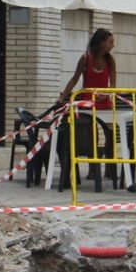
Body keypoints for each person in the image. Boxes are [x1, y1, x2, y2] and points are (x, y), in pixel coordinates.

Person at [55, 28, 119, 186]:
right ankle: (93, 169)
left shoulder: (110, 60)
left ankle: (110, 168)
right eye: (110, 42)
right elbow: (74, 79)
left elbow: (113, 84)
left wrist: (106, 94)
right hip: (87, 103)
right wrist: (63, 97)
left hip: (105, 102)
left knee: (110, 135)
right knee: (91, 136)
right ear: (101, 43)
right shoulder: (85, 59)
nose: (113, 45)